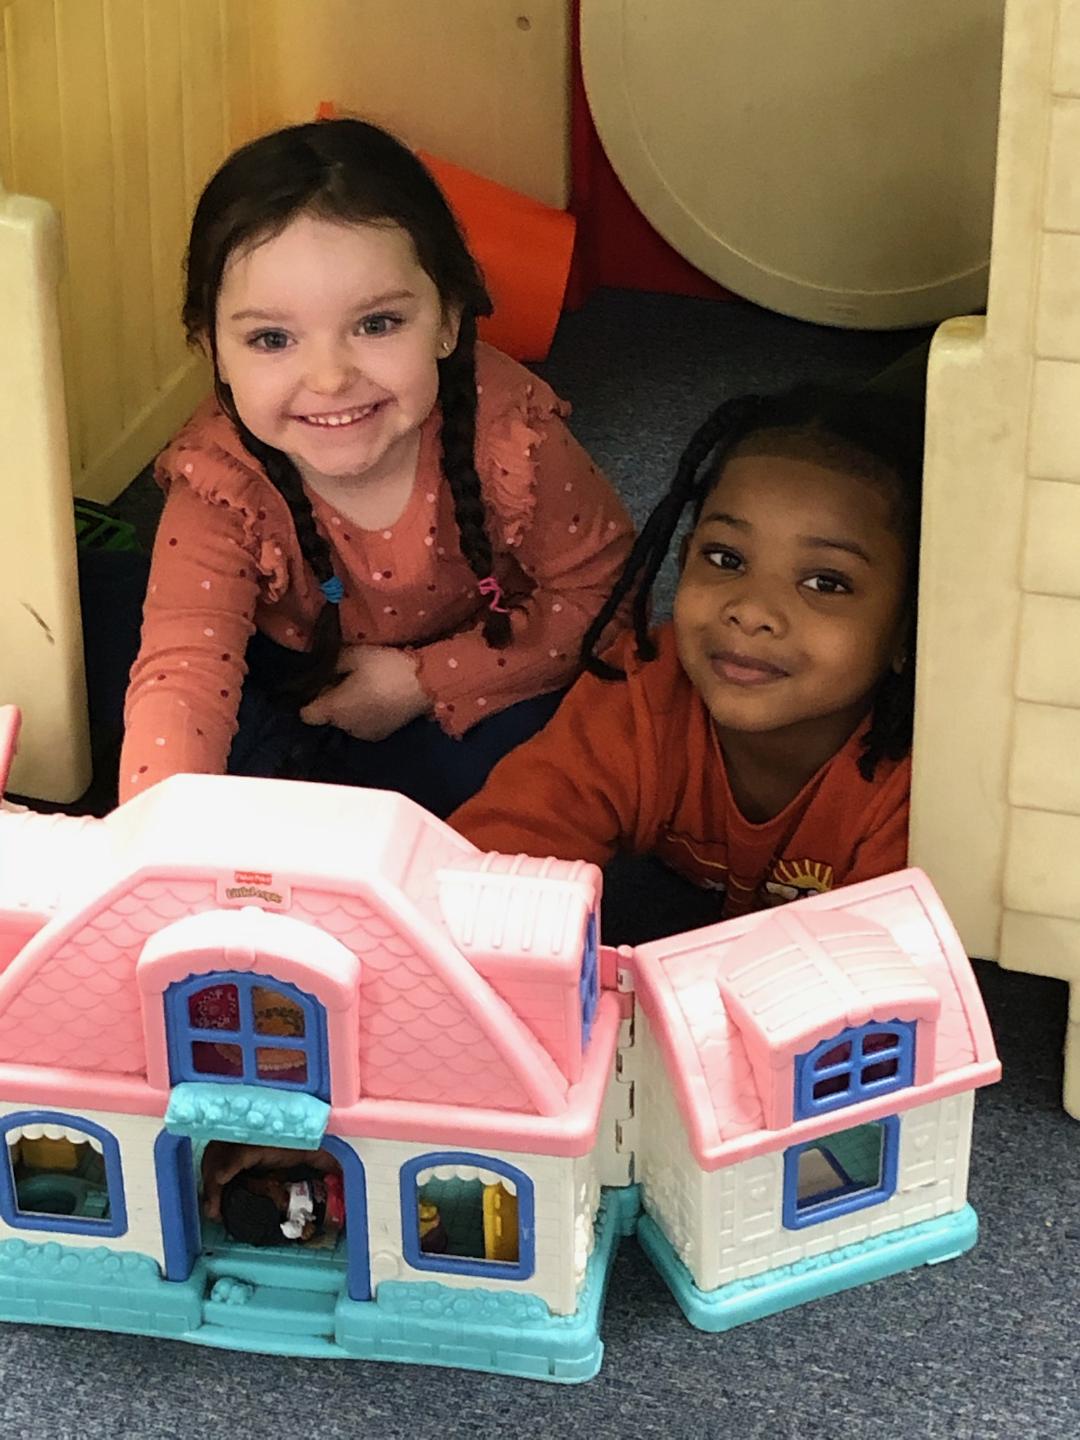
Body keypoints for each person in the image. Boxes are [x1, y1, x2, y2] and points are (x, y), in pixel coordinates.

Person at [115, 118, 632, 816]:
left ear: (447, 319)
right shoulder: (220, 481)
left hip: (478, 666)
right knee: (112, 642)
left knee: (576, 740)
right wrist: (160, 846)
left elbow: (608, 596)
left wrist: (425, 679)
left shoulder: (510, 435)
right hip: (291, 673)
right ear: (214, 350)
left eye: (377, 324)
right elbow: (186, 675)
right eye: (272, 338)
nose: (329, 378)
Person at [450, 385, 922, 919]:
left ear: (911, 628)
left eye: (826, 583)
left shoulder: (919, 787)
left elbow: (878, 980)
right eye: (725, 558)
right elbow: (483, 873)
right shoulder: (645, 686)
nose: (750, 610)